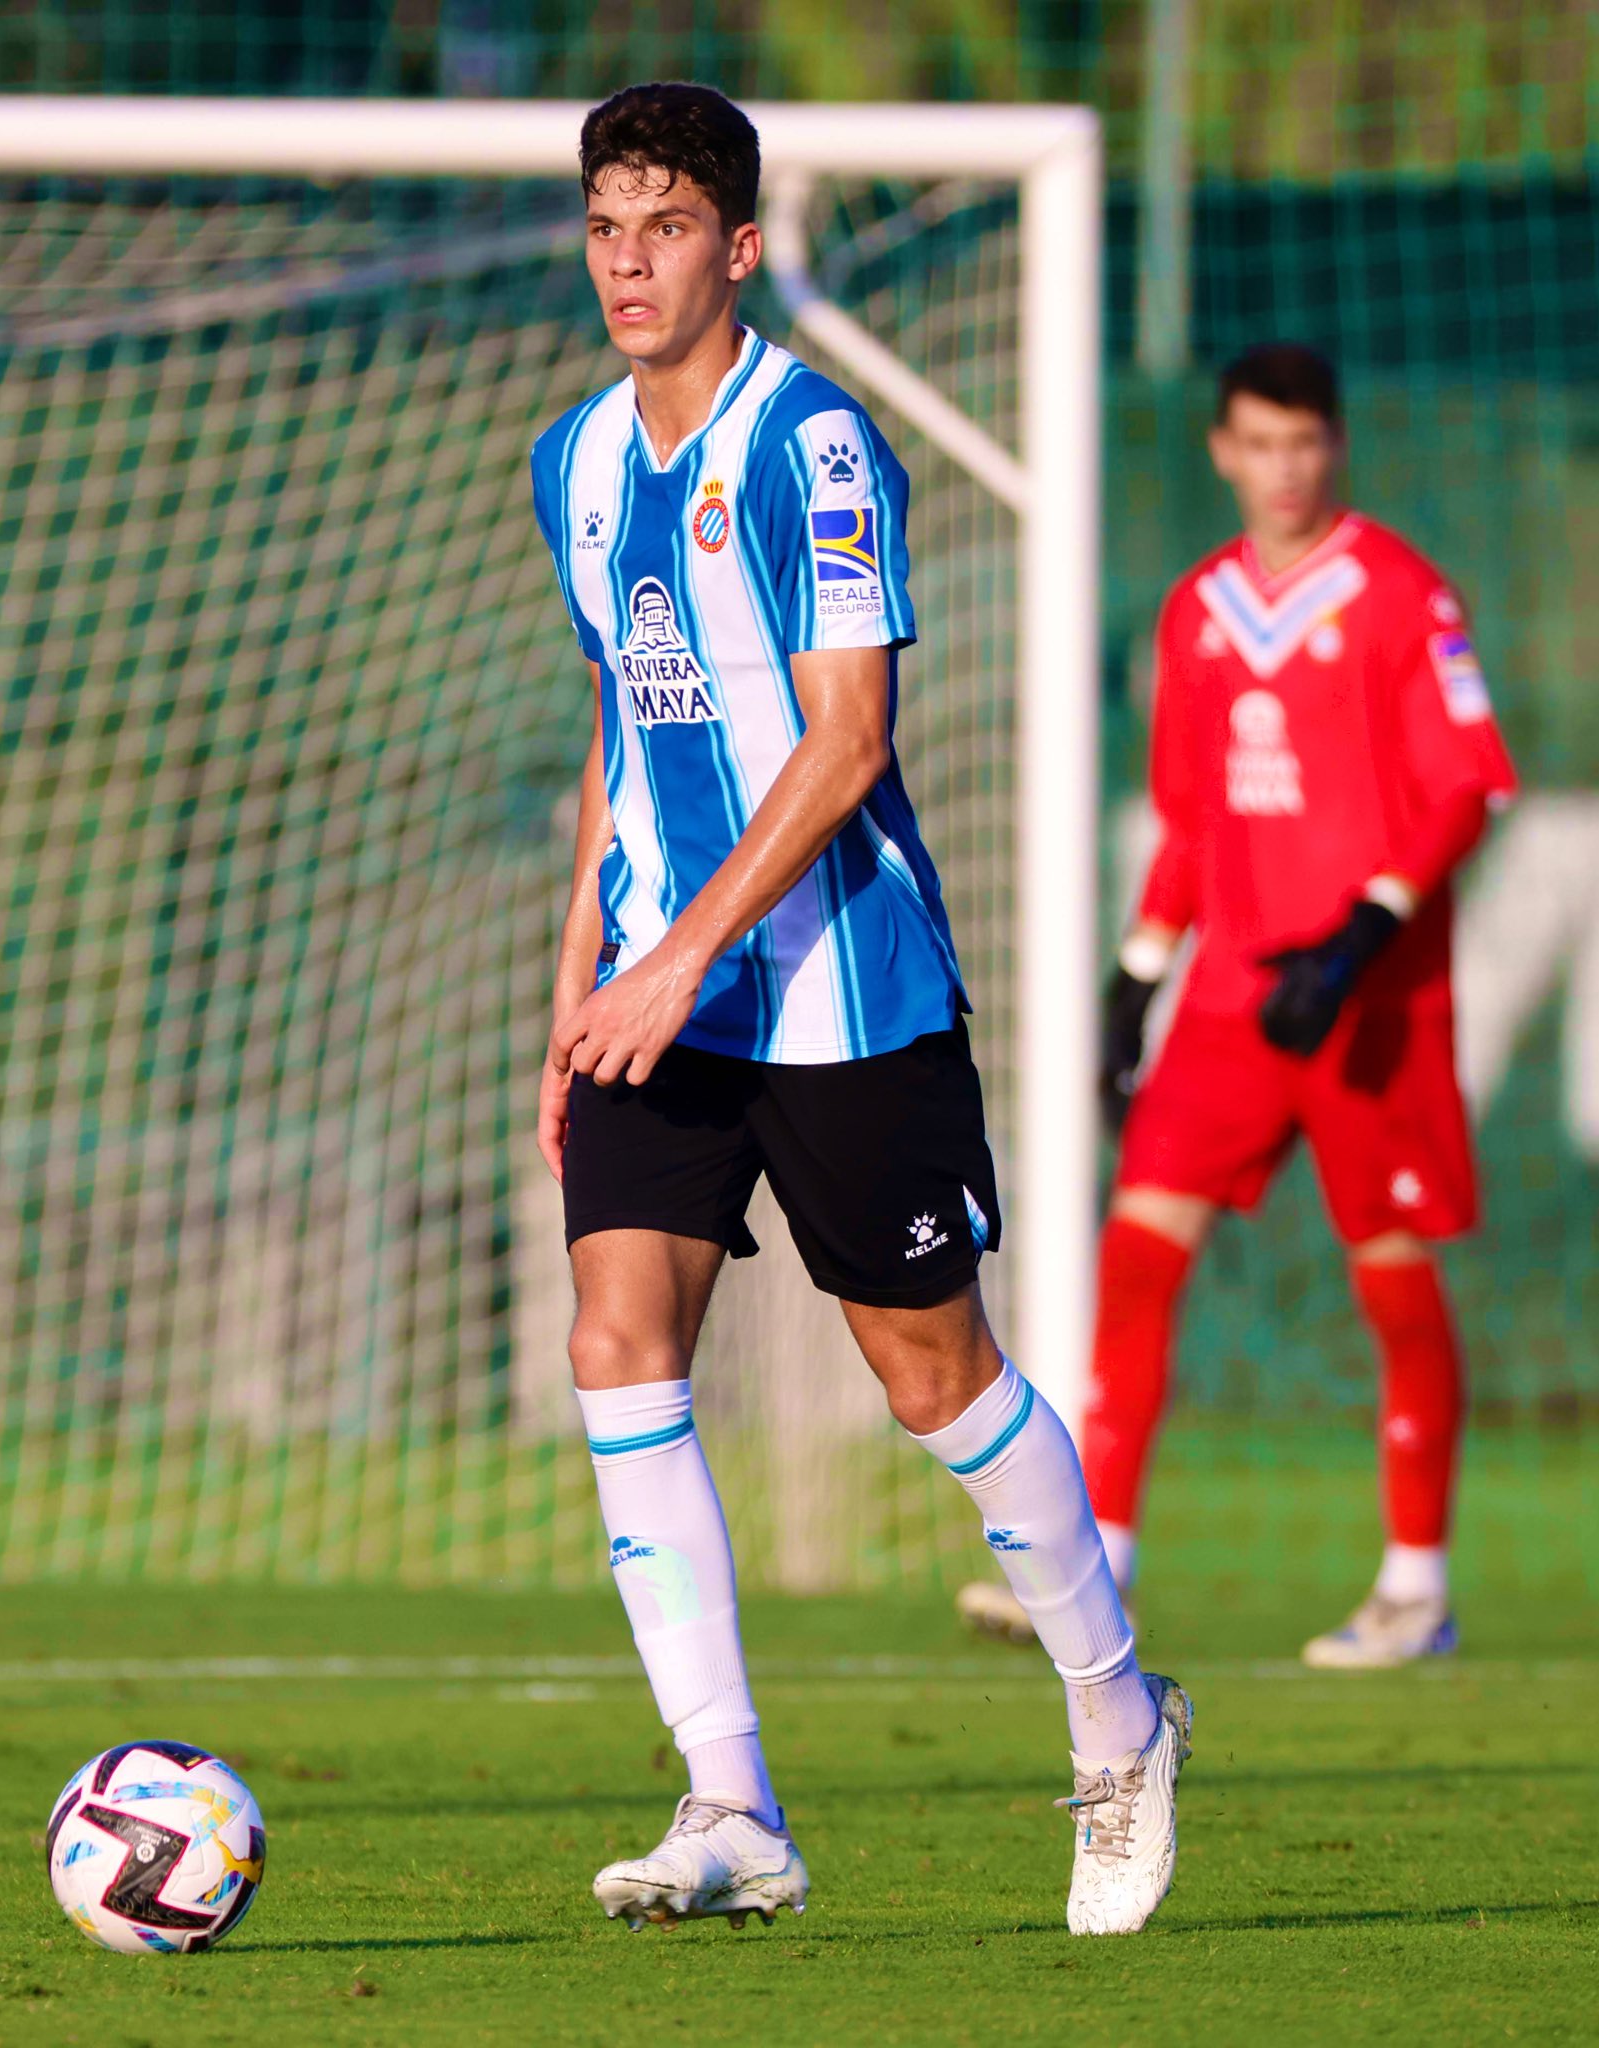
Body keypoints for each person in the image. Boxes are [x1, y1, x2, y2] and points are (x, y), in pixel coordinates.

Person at [531, 79, 1191, 1942]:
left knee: (931, 1378)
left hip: (839, 994)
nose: (628, 264)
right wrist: (576, 987)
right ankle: (729, 1802)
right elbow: (618, 730)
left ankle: (1118, 1716)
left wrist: (675, 956)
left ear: (739, 247)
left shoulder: (814, 443)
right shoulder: (573, 458)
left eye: (666, 228)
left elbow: (844, 743)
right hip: (659, 1001)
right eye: (605, 229)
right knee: (616, 1343)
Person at [958, 343, 1516, 1668]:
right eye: (1259, 444)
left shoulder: (1400, 593)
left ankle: (1415, 1588)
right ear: (1222, 451)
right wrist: (1136, 974)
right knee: (1137, 1256)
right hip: (1228, 1002)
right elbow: (1195, 820)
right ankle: (1096, 1567)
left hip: (1367, 1000)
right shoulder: (1198, 608)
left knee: (1391, 1281)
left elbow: (1465, 788)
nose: (1283, 469)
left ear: (1336, 445)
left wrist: (1367, 927)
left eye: (1304, 443)